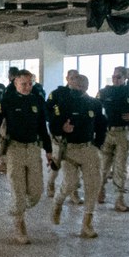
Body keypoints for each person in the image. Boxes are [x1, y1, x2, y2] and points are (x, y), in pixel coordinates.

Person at [0, 70, 52, 244]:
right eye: (23, 84)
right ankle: (19, 223)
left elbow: (43, 127)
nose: (27, 87)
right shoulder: (7, 101)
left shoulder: (37, 100)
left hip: (33, 149)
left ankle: (17, 208)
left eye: (30, 83)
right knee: (18, 189)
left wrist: (49, 151)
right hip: (14, 149)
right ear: (15, 83)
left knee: (36, 192)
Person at [49, 74, 106, 238]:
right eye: (75, 86)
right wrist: (62, 129)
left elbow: (102, 124)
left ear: (87, 87)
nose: (78, 89)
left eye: (82, 86)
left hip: (88, 148)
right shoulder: (63, 102)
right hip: (69, 149)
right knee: (70, 183)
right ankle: (57, 203)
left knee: (93, 185)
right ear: (70, 85)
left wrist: (98, 144)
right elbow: (53, 124)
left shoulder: (94, 103)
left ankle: (87, 223)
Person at [97, 67, 129, 212]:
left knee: (120, 167)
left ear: (125, 78)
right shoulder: (105, 91)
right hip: (107, 133)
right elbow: (95, 107)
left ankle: (119, 199)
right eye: (113, 77)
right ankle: (101, 191)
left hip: (123, 134)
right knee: (103, 166)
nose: (115, 79)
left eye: (118, 77)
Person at [45, 69, 80, 199]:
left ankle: (74, 191)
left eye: (77, 77)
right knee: (56, 163)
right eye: (72, 77)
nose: (74, 80)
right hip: (58, 136)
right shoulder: (57, 93)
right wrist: (57, 127)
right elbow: (47, 110)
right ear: (67, 78)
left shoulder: (81, 95)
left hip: (75, 137)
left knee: (74, 166)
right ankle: (50, 183)